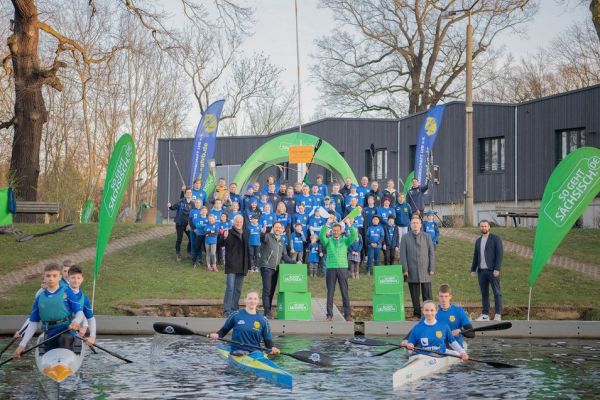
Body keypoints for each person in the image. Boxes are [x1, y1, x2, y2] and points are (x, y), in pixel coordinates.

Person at [12, 263, 84, 359]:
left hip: (67, 330)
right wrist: (22, 345)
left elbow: (80, 313)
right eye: (48, 276)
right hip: (50, 333)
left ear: (60, 277)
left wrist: (76, 322)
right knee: (51, 353)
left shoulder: (67, 292)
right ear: (44, 278)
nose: (51, 278)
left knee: (64, 339)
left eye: (54, 276)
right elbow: (33, 323)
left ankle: (66, 361)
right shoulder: (39, 298)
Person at [209, 290, 280, 355]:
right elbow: (224, 330)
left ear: (258, 301)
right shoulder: (236, 315)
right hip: (237, 352)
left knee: (258, 353)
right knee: (240, 353)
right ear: (245, 300)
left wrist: (272, 348)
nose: (252, 301)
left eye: (255, 299)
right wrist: (217, 335)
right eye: (250, 298)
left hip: (255, 353)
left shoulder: (263, 320)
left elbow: (268, 341)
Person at [401, 300, 468, 360]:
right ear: (423, 311)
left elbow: (452, 342)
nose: (429, 313)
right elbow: (410, 346)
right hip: (422, 357)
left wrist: (463, 352)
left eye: (432, 310)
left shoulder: (444, 326)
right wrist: (408, 346)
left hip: (439, 356)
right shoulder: (417, 328)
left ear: (436, 311)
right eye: (426, 310)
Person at [319, 217, 357, 322]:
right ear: (331, 231)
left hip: (343, 268)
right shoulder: (328, 241)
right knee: (330, 292)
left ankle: (347, 315)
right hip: (331, 268)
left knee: (344, 292)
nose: (336, 232)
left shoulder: (345, 241)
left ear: (341, 231)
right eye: (334, 230)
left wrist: (349, 225)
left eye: (337, 230)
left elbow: (354, 236)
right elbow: (321, 236)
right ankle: (329, 315)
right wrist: (327, 224)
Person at [400, 217, 435, 320]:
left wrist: (431, 268)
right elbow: (403, 255)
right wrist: (405, 269)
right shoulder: (405, 237)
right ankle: (417, 314)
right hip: (412, 270)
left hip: (426, 270)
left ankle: (429, 314)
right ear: (410, 225)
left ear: (420, 224)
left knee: (427, 295)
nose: (415, 225)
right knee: (414, 295)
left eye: (417, 223)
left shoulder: (427, 237)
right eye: (413, 223)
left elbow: (431, 253)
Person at [258, 222, 295, 319]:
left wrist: (294, 262)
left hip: (276, 269)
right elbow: (262, 239)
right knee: (267, 289)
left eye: (279, 227)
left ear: (282, 230)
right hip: (266, 267)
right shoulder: (268, 236)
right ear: (273, 228)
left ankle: (268, 311)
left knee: (271, 290)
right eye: (276, 227)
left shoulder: (282, 241)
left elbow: (285, 256)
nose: (278, 229)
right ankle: (267, 312)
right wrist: (262, 233)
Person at [470, 220, 504, 321]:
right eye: (481, 226)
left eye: (485, 226)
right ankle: (485, 314)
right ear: (480, 227)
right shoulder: (478, 241)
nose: (483, 228)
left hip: (492, 271)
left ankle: (498, 314)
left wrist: (497, 268)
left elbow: (500, 255)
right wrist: (473, 269)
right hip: (481, 272)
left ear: (489, 227)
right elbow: (476, 256)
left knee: (497, 293)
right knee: (484, 293)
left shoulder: (495, 239)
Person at [219, 215, 250, 317]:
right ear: (233, 222)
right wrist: (224, 237)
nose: (238, 223)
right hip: (232, 264)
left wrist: (249, 266)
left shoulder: (245, 233)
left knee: (238, 289)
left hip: (242, 265)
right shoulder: (229, 232)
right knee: (230, 288)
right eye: (237, 221)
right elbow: (220, 244)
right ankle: (227, 310)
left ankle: (234, 308)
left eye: (240, 222)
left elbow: (247, 251)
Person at [67, 265, 96, 346]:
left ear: (82, 279)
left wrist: (92, 336)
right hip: (59, 330)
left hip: (74, 331)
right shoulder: (61, 292)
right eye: (73, 278)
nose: (76, 281)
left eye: (78, 278)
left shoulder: (84, 299)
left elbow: (90, 318)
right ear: (68, 278)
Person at [167, 187, 194, 262]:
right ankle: (178, 253)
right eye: (187, 192)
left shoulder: (193, 203)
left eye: (190, 193)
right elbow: (173, 208)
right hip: (180, 223)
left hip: (188, 224)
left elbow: (193, 214)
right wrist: (170, 206)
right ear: (185, 194)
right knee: (179, 239)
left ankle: (189, 253)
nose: (189, 194)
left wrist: (190, 224)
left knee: (191, 238)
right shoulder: (181, 201)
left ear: (191, 194)